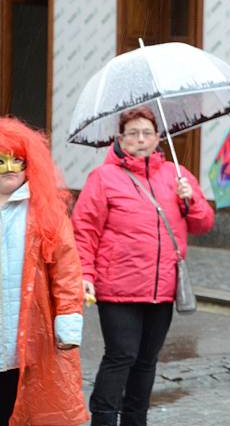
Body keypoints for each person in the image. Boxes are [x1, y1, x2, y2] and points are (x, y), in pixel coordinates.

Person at [72, 106, 214, 426]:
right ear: (120, 138)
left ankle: (136, 420)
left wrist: (190, 199)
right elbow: (84, 230)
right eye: (132, 133)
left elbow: (204, 224)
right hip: (117, 286)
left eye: (146, 132)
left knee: (147, 361)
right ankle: (104, 418)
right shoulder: (103, 178)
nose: (140, 139)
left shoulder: (176, 175)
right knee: (121, 356)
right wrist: (85, 274)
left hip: (161, 289)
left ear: (158, 137)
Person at [0, 117, 89, 426]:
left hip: (31, 339)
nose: (10, 169)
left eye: (17, 161)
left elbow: (66, 272)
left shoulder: (45, 212)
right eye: (1, 161)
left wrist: (67, 322)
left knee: (27, 408)